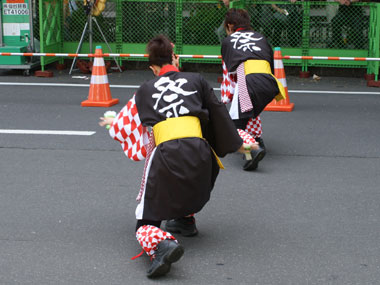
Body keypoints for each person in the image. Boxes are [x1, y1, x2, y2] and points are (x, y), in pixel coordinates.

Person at [99, 35, 254, 278]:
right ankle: (185, 220)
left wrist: (110, 123)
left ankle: (161, 246)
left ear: (152, 67)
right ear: (175, 58)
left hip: (167, 157)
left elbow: (121, 128)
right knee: (187, 175)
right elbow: (219, 118)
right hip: (201, 157)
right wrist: (239, 145)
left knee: (145, 222)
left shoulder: (145, 90)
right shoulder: (197, 81)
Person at [220, 8, 286, 171]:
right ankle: (254, 144)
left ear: (230, 26)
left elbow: (230, 73)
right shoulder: (260, 37)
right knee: (249, 114)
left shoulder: (228, 41)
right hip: (270, 82)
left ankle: (253, 149)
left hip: (247, 80)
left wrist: (226, 97)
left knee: (234, 126)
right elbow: (269, 63)